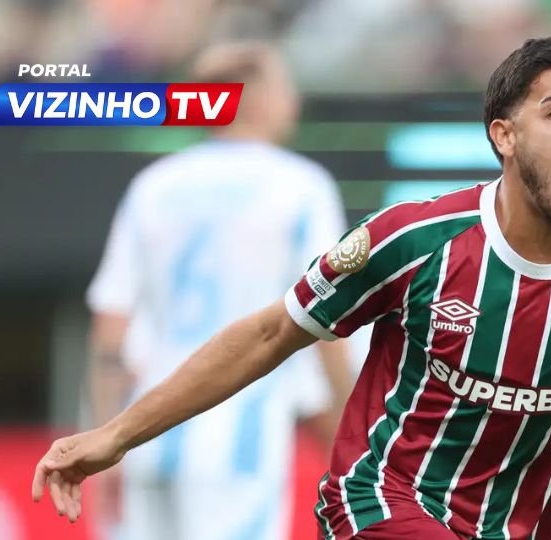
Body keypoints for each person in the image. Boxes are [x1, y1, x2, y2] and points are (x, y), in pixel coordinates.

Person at [33, 37, 551, 540]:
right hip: (376, 504)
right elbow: (274, 333)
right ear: (504, 136)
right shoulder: (414, 241)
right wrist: (113, 435)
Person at [83, 41, 355, 540]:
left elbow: (111, 328)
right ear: (261, 98)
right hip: (238, 436)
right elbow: (327, 312)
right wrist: (350, 435)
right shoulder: (299, 187)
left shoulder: (154, 186)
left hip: (144, 432)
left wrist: (104, 440)